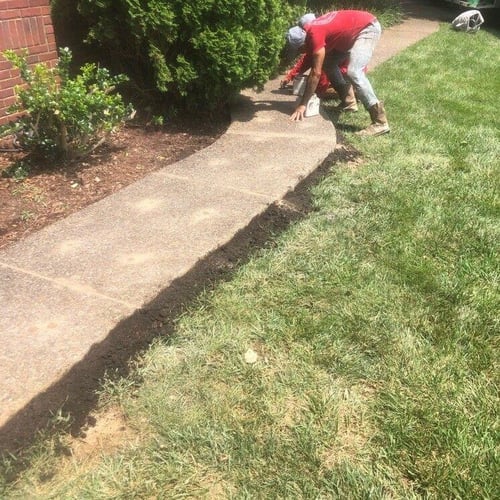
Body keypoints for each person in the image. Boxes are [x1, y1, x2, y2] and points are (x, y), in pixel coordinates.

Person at [285, 10, 390, 136]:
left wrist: (303, 104)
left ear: (303, 44)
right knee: (328, 63)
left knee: (354, 71)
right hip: (351, 33)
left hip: (367, 27)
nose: (301, 53)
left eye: (299, 50)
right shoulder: (311, 31)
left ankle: (380, 121)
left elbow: (315, 73)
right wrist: (292, 74)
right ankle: (349, 102)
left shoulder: (314, 35)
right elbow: (312, 61)